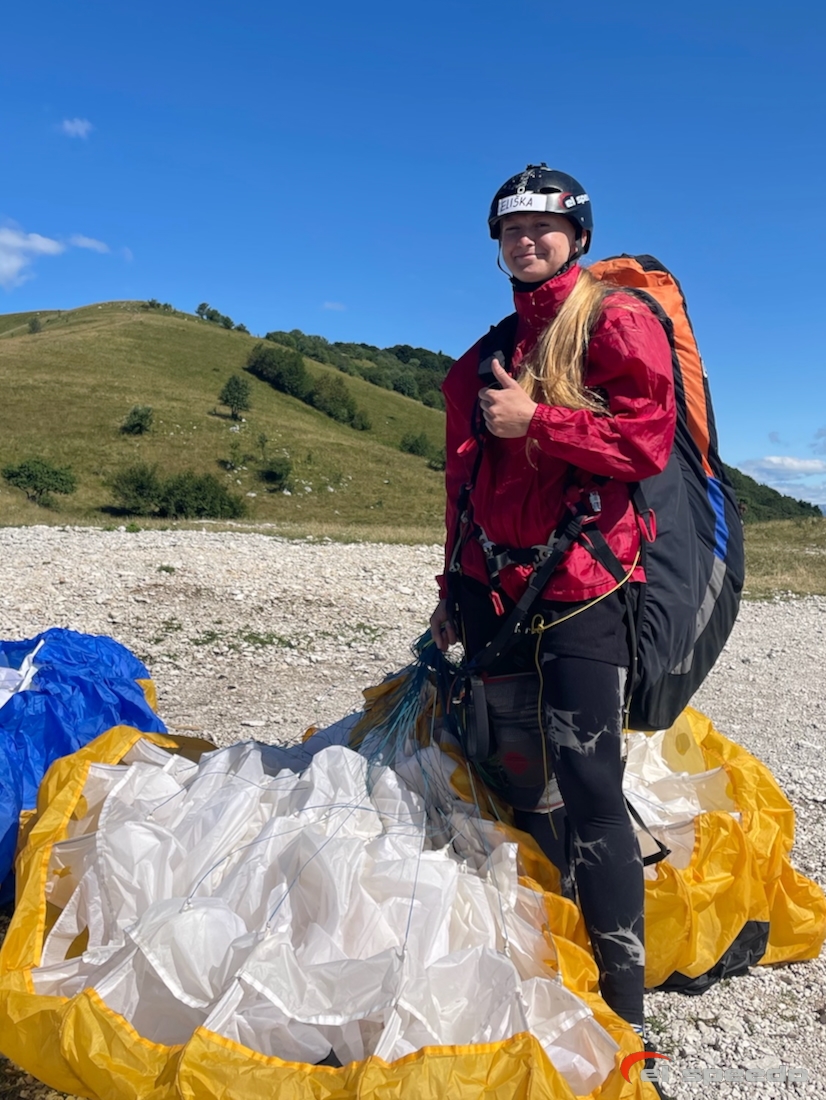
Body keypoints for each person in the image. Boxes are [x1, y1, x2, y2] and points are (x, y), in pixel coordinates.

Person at [429, 164, 676, 1039]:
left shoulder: (614, 321)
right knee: (512, 774)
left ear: (578, 237)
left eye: (543, 227)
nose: (526, 240)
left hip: (582, 588)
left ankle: (623, 1013)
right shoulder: (489, 351)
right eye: (511, 229)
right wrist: (449, 588)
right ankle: (544, 953)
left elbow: (646, 444)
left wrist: (539, 422)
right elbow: (465, 483)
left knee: (589, 784)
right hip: (492, 591)